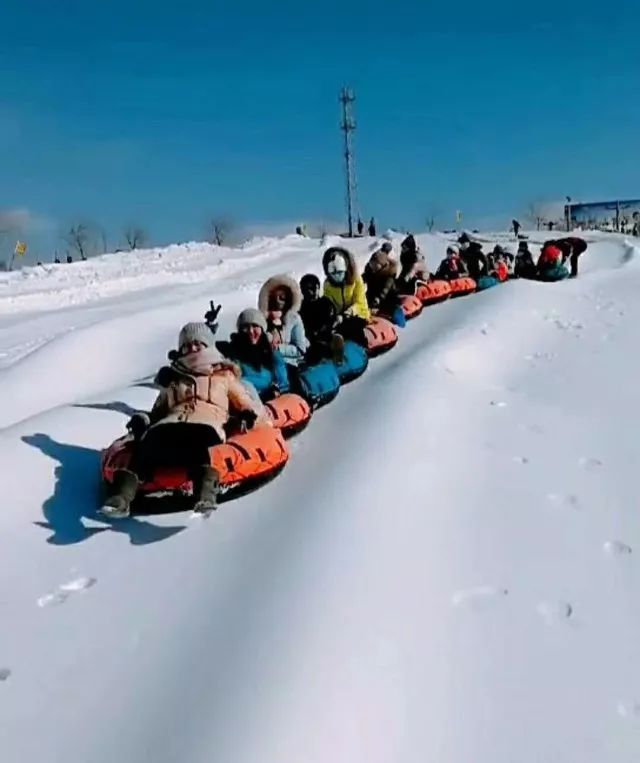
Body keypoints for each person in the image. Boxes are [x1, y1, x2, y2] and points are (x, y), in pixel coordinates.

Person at [101, 322, 268, 518]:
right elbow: (158, 412)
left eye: (198, 344)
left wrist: (246, 415)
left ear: (209, 347)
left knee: (197, 439)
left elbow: (246, 403)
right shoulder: (174, 380)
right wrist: (143, 420)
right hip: (171, 423)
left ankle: (205, 492)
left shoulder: (224, 377)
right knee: (149, 440)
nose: (192, 349)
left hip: (207, 423)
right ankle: (122, 497)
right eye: (187, 346)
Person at [216, 309, 290, 399]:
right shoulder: (231, 352)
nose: (250, 331)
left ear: (262, 329)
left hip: (270, 405)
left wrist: (273, 392)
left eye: (255, 326)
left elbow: (284, 386)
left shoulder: (272, 356)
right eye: (245, 327)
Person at [322, 246, 370, 346]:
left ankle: (360, 347)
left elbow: (360, 303)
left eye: (339, 272)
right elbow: (328, 304)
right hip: (339, 317)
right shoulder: (327, 285)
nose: (336, 275)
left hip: (358, 314)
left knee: (350, 325)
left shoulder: (356, 280)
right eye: (333, 273)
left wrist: (346, 314)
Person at [258, 275, 308, 365]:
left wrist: (279, 349)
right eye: (275, 297)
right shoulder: (262, 319)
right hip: (267, 365)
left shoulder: (293, 318)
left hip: (291, 365)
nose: (278, 301)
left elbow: (301, 349)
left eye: (282, 297)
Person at [299, 274, 345, 364]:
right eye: (306, 289)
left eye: (312, 288)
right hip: (311, 341)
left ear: (317, 288)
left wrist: (326, 329)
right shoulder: (302, 308)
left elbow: (331, 319)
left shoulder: (325, 303)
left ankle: (338, 359)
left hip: (327, 336)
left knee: (336, 339)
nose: (309, 292)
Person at [362, 244, 401, 317]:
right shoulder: (371, 272)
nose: (373, 266)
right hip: (371, 296)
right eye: (372, 264)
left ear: (382, 266)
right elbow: (362, 279)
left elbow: (386, 289)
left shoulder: (388, 275)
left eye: (375, 265)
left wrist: (378, 299)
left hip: (386, 299)